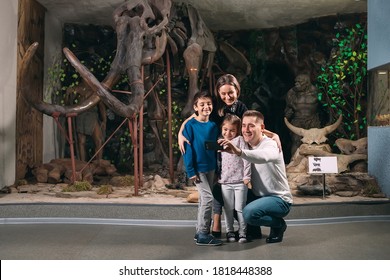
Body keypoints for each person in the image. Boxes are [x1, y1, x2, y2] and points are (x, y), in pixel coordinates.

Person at [178, 74, 281, 238]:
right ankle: (218, 224)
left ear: (237, 90)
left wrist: (272, 134)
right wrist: (180, 134)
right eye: (223, 93)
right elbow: (193, 118)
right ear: (218, 93)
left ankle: (254, 228)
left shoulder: (241, 108)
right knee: (219, 192)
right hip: (218, 158)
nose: (227, 97)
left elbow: (252, 125)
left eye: (230, 93)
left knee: (246, 195)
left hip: (239, 156)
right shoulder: (214, 107)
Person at [219, 110, 293, 243]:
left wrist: (239, 152)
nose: (246, 129)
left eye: (251, 126)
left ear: (262, 128)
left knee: (248, 213)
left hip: (278, 199)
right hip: (258, 196)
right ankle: (251, 230)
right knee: (218, 190)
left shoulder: (271, 144)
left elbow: (263, 156)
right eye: (244, 125)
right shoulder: (244, 143)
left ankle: (278, 225)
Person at [181, 91, 222, 246]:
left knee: (203, 201)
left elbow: (215, 149)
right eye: (202, 104)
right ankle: (205, 233)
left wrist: (218, 170)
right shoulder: (190, 126)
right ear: (195, 107)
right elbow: (187, 150)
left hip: (211, 168)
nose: (206, 107)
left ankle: (199, 231)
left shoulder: (213, 126)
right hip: (198, 170)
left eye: (209, 104)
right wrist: (191, 171)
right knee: (208, 198)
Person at [218, 114, 251, 243]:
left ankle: (243, 233)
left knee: (240, 208)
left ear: (237, 130)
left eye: (232, 130)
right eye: (225, 129)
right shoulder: (220, 142)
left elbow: (247, 159)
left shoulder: (240, 141)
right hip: (225, 182)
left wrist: (247, 176)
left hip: (240, 182)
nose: (228, 133)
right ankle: (229, 231)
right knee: (228, 208)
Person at [285, 73, 321, 157]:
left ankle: (314, 164)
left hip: (313, 120)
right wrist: (287, 114)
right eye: (296, 82)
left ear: (306, 83)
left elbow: (327, 107)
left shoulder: (316, 92)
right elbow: (287, 108)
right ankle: (293, 164)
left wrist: (330, 120)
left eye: (299, 82)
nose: (296, 84)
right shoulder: (292, 92)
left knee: (314, 142)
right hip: (297, 120)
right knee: (296, 141)